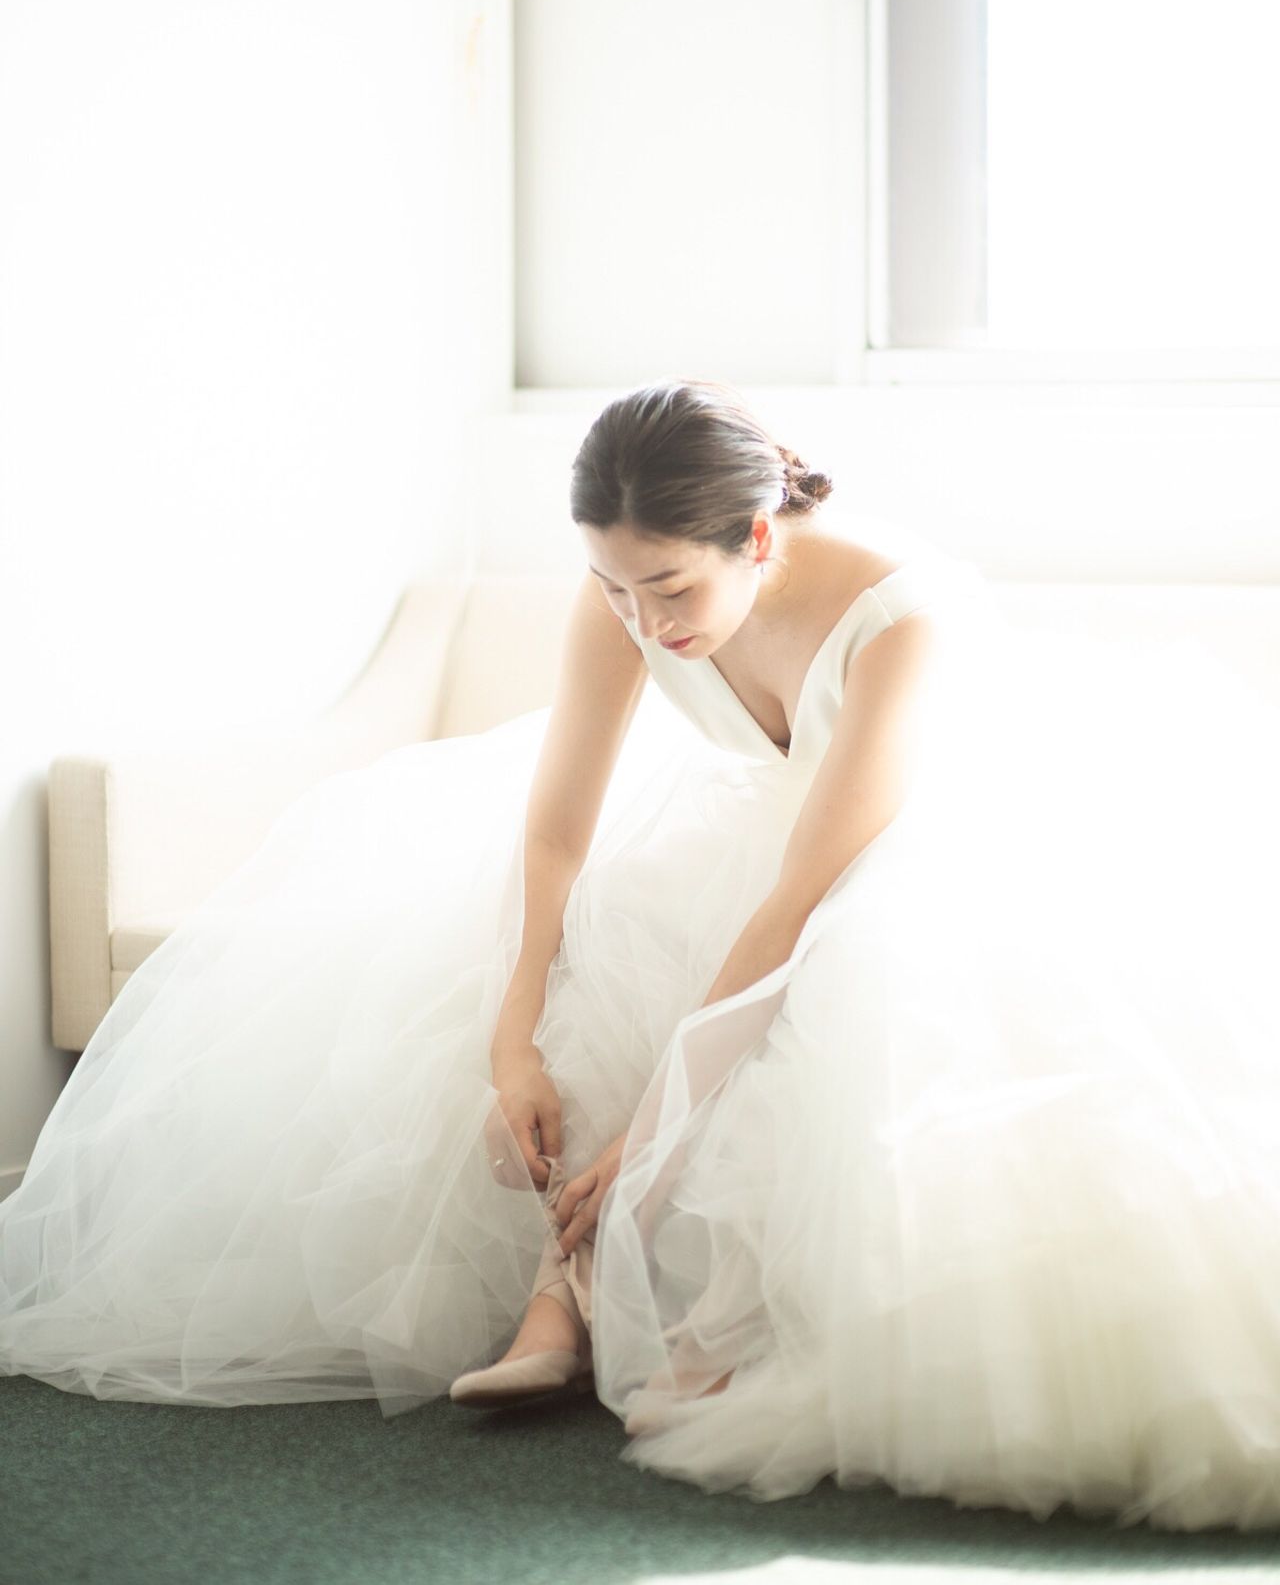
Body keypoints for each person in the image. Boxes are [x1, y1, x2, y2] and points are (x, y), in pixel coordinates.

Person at [2, 375, 1279, 1535]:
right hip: (760, 840)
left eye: (669, 589)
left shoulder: (902, 617)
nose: (641, 617)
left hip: (914, 858)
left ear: (756, 539)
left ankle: (702, 1314)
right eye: (614, 587)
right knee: (607, 924)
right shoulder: (622, 587)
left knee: (831, 998)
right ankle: (562, 1295)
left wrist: (658, 1123)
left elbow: (804, 895)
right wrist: (513, 1032)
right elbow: (556, 829)